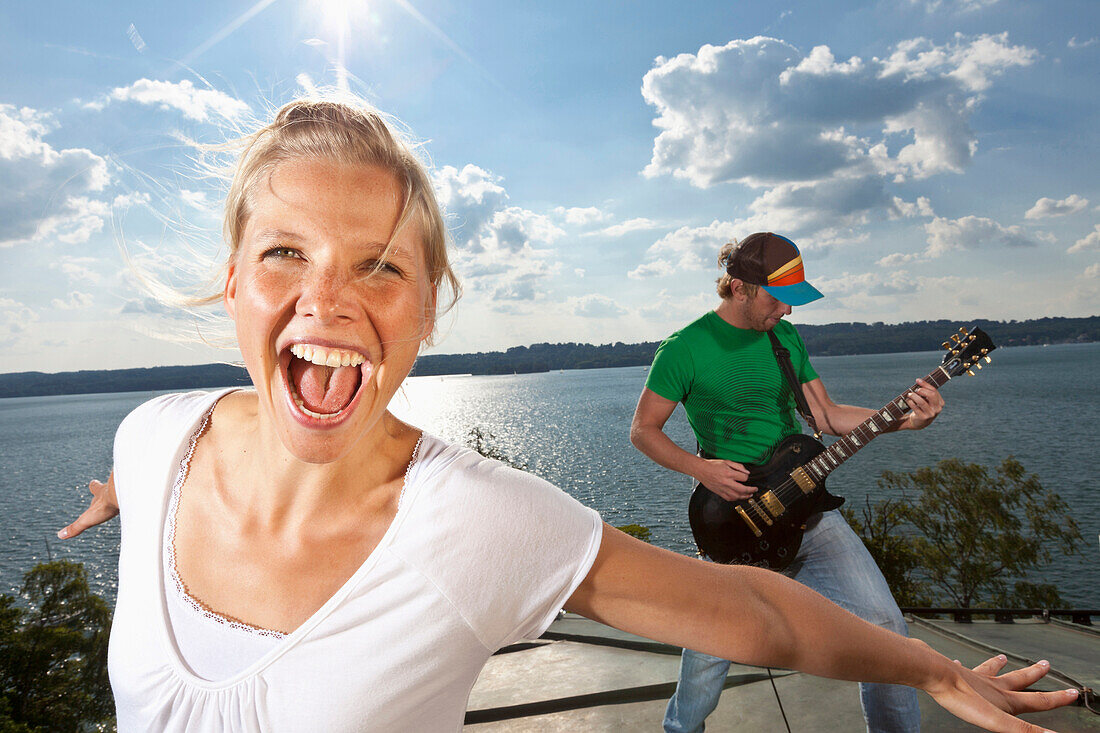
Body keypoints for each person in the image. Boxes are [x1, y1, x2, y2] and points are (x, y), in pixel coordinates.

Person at [60, 100, 1075, 732]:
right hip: (735, 506)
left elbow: (756, 609)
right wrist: (122, 494)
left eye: (378, 265)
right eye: (287, 252)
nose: (327, 299)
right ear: (233, 280)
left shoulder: (477, 522)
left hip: (794, 520)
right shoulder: (154, 436)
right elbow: (649, 431)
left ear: (422, 310)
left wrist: (935, 665)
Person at [631, 232, 949, 732]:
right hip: (735, 518)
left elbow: (826, 414)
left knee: (885, 624)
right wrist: (702, 469)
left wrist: (908, 422)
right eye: (778, 298)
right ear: (739, 288)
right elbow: (643, 431)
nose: (789, 311)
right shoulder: (683, 349)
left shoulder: (785, 338)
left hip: (804, 508)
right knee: (710, 650)